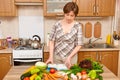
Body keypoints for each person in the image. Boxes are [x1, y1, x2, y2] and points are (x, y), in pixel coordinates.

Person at [46, 2, 83, 68]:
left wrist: (69, 58)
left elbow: (79, 45)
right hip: (57, 57)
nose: (69, 18)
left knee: (70, 77)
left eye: (72, 16)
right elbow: (51, 41)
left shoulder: (78, 26)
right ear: (64, 13)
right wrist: (51, 57)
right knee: (57, 76)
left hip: (71, 58)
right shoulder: (56, 25)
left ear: (75, 15)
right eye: (67, 14)